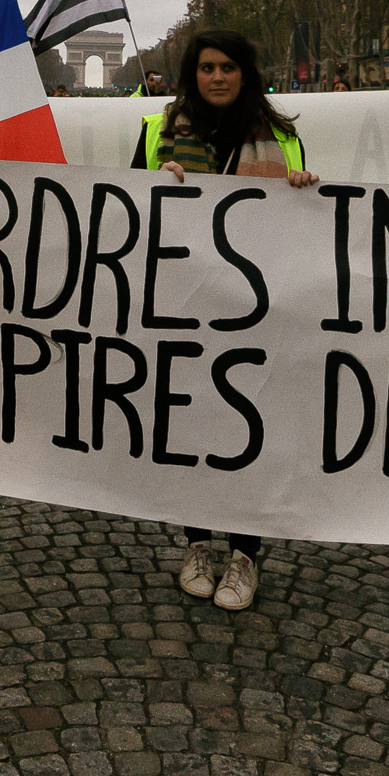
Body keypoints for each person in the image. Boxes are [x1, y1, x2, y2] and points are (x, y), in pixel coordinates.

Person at [131, 31, 321, 612]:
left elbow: (301, 222)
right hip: (186, 305)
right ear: (192, 74)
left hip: (255, 307)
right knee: (191, 426)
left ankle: (244, 554)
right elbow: (128, 204)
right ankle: (197, 544)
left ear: (246, 73)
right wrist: (155, 178)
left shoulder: (282, 136)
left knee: (251, 429)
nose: (217, 77)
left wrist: (300, 188)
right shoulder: (155, 131)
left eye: (229, 67)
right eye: (207, 67)